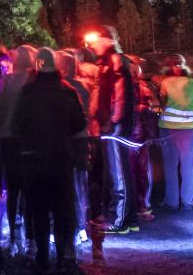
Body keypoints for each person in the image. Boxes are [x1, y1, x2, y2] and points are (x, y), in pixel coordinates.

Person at [13, 47, 87, 271]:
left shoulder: (28, 92)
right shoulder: (67, 91)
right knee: (62, 210)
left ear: (39, 64)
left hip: (34, 159)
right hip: (61, 158)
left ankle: (42, 257)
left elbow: (18, 124)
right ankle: (64, 256)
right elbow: (79, 125)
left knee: (39, 210)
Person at [87, 26, 140, 236]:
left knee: (118, 174)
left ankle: (118, 221)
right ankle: (129, 218)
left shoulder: (115, 60)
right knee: (119, 172)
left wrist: (113, 120)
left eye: (96, 40)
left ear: (107, 40)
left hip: (115, 128)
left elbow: (119, 92)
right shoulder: (108, 62)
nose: (92, 45)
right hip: (112, 126)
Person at [0, 45, 37, 251]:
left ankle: (12, 236)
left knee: (12, 190)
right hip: (30, 142)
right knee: (30, 191)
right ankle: (31, 237)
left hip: (8, 140)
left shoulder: (2, 84)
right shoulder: (35, 82)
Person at [157, 54, 193, 210]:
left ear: (168, 67)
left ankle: (172, 202)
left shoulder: (165, 82)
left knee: (170, 166)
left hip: (169, 128)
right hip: (190, 129)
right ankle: (188, 202)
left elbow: (162, 104)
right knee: (188, 165)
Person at [56, 49, 92, 245]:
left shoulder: (64, 88)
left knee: (68, 187)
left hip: (68, 143)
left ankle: (71, 229)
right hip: (80, 142)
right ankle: (81, 228)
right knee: (79, 187)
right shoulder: (82, 86)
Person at [128, 55, 161, 221]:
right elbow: (156, 108)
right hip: (137, 135)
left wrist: (142, 108)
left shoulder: (141, 87)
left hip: (135, 136)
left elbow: (156, 108)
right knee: (138, 172)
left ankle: (141, 207)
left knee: (138, 172)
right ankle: (140, 207)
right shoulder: (143, 86)